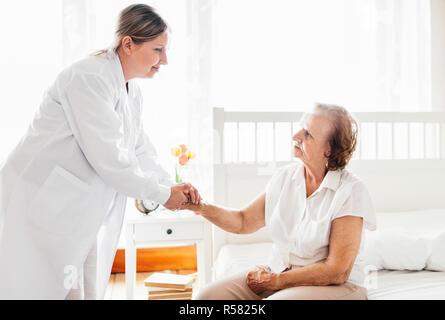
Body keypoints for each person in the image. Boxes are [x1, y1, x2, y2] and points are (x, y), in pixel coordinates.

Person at [0, 4, 201, 300]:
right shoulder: (89, 78)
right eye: (158, 50)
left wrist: (171, 186)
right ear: (129, 44)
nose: (165, 60)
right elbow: (112, 160)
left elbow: (139, 148)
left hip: (74, 208)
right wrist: (161, 195)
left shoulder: (130, 90)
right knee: (38, 288)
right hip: (39, 201)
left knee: (80, 289)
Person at [185, 103, 376, 300]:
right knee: (207, 297)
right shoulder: (285, 178)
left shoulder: (350, 190)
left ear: (329, 149)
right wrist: (200, 207)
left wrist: (276, 281)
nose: (296, 136)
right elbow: (242, 221)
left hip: (335, 286)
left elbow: (337, 271)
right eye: (301, 127)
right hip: (280, 272)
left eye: (308, 134)